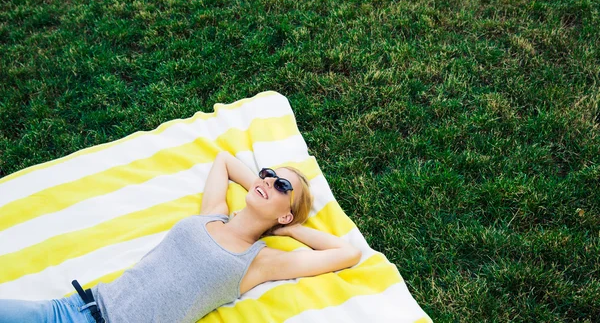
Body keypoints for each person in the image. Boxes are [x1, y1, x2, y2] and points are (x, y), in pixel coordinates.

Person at [0, 151, 362, 323]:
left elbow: (346, 253)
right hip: (74, 309)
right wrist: (263, 185)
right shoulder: (211, 214)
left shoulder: (261, 261)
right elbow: (222, 160)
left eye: (281, 184)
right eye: (266, 174)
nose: (267, 180)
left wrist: (289, 226)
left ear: (285, 211)